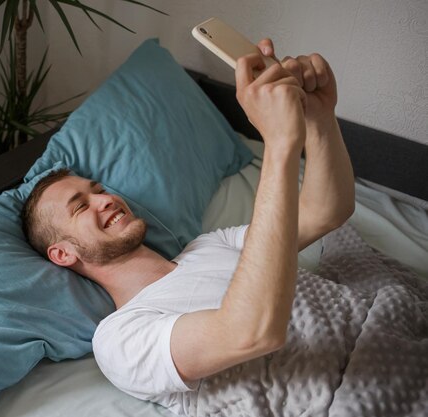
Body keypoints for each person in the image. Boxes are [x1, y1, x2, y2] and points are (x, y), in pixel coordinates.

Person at [20, 39, 355, 416]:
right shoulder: (119, 338)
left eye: (98, 189)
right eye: (81, 206)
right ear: (63, 253)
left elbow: (326, 212)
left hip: (375, 334)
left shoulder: (210, 245)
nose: (105, 199)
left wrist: (320, 117)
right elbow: (252, 332)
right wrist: (280, 142)